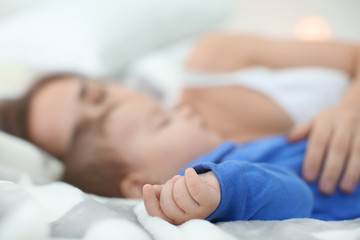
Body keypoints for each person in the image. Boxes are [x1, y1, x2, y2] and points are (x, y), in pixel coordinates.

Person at [0, 33, 359, 198]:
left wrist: (351, 106)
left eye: (97, 96)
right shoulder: (198, 181)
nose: (112, 115)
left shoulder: (215, 60)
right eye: (86, 132)